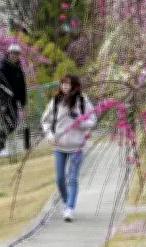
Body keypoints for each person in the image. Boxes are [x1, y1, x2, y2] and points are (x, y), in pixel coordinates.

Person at [40, 74, 97, 222]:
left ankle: (70, 208)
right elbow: (45, 120)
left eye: (68, 84)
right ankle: (66, 203)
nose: (65, 87)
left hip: (76, 147)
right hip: (59, 146)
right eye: (63, 84)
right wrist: (50, 135)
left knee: (72, 179)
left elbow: (92, 120)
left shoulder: (82, 101)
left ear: (75, 86)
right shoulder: (56, 101)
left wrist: (79, 122)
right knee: (59, 179)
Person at [0, 43, 27, 156]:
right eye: (13, 53)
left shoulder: (19, 68)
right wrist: (0, 103)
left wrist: (23, 101)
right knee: (6, 124)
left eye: (17, 54)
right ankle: (0, 148)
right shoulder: (1, 69)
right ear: (9, 54)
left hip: (14, 101)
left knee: (13, 124)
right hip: (3, 103)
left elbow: (22, 85)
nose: (15, 56)